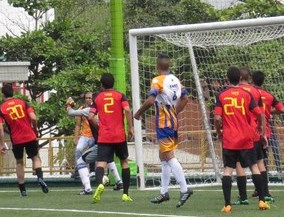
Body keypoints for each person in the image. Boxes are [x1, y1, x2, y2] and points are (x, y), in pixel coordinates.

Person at [133, 53, 193, 208]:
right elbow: (185, 98)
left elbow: (151, 99)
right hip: (172, 121)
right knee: (163, 157)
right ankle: (164, 192)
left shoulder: (157, 80)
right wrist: (175, 111)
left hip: (164, 123)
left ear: (157, 66)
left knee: (169, 156)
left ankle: (184, 189)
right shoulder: (175, 80)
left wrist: (139, 113)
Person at [213, 67, 267, 213]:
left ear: (227, 78)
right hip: (245, 138)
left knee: (228, 170)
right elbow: (260, 114)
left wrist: (219, 131)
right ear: (240, 79)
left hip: (230, 139)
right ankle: (262, 201)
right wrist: (261, 129)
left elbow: (217, 118)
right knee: (254, 167)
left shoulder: (222, 95)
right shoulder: (247, 94)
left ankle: (227, 204)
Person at [0, 82, 49, 197]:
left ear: (3, 95)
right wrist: (35, 129)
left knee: (19, 162)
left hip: (16, 139)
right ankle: (40, 178)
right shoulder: (23, 103)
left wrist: (2, 143)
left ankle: (23, 190)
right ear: (13, 92)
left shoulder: (2, 108)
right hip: (29, 135)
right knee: (35, 157)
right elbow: (34, 118)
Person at [88, 73, 134, 204]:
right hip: (119, 135)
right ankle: (125, 194)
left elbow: (90, 116)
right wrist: (130, 128)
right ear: (113, 84)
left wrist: (99, 126)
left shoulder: (97, 98)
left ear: (101, 85)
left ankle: (100, 185)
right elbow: (127, 110)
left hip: (105, 136)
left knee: (101, 163)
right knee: (124, 161)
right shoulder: (120, 96)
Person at [65, 94, 124, 195]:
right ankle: (119, 182)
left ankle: (89, 187)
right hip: (116, 139)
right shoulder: (110, 110)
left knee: (80, 162)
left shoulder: (89, 110)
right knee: (109, 159)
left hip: (101, 142)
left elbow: (71, 112)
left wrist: (69, 104)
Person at [250, 70, 284, 202]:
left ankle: (262, 190)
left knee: (255, 162)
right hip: (266, 132)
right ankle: (262, 189)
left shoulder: (250, 93)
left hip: (254, 131)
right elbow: (281, 109)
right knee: (263, 161)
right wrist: (270, 112)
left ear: (252, 80)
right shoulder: (269, 95)